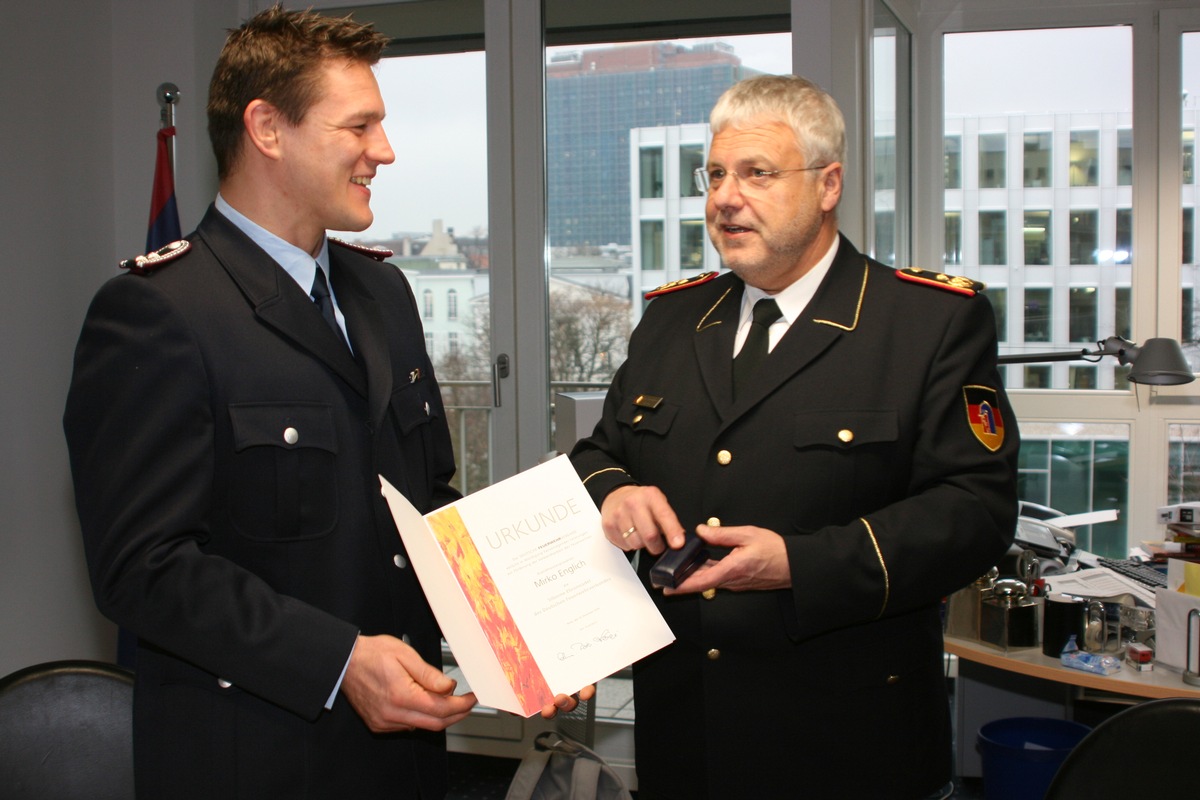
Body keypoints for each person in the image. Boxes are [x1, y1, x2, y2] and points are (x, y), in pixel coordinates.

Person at [64, 6, 582, 797]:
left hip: (403, 758)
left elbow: (426, 507)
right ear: (268, 128)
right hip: (255, 758)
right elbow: (145, 566)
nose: (385, 150)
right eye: (360, 126)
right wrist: (338, 662)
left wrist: (515, 639)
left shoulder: (383, 291)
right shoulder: (159, 310)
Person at [569, 74, 1019, 799]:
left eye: (757, 173)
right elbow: (597, 454)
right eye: (715, 174)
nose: (724, 197)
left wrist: (799, 564)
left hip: (847, 739)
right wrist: (617, 492)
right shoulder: (672, 318)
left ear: (829, 184)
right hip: (683, 728)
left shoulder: (927, 322)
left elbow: (976, 509)